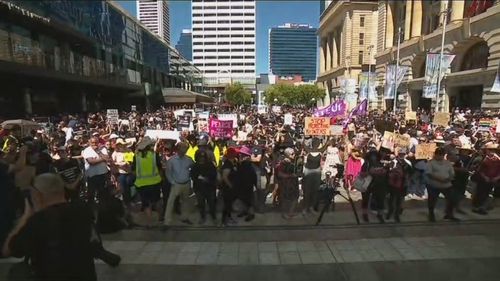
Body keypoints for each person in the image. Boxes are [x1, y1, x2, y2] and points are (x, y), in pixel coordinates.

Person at [1, 173, 106, 281]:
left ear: (37, 195)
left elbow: (7, 250)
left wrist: (25, 217)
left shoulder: (38, 221)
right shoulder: (83, 212)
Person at [132, 137, 164, 227]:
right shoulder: (154, 155)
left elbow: (134, 171)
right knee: (157, 201)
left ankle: (149, 222)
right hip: (155, 182)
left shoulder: (136, 156)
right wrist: (161, 178)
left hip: (141, 183)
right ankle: (160, 217)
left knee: (146, 204)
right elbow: (160, 168)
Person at [164, 142, 194, 227]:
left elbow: (193, 167)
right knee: (170, 202)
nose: (184, 150)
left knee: (185, 201)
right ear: (178, 149)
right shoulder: (172, 160)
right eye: (183, 148)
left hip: (186, 183)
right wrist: (172, 182)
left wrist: (190, 180)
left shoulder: (188, 159)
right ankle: (167, 221)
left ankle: (185, 217)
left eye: (185, 149)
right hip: (176, 184)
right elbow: (168, 172)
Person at [425, 147, 458, 222]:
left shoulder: (447, 163)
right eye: (438, 154)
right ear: (435, 154)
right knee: (432, 201)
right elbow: (429, 174)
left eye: (441, 154)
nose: (440, 156)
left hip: (446, 185)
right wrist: (439, 179)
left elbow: (452, 173)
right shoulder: (431, 163)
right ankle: (431, 215)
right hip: (434, 185)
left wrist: (448, 179)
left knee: (452, 200)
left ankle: (449, 214)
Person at [191, 149, 218, 225]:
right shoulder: (195, 166)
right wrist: (199, 178)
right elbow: (193, 176)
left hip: (210, 188)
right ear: (197, 157)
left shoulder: (210, 164)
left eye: (203, 156)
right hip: (199, 188)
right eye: (200, 156)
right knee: (201, 204)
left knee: (212, 204)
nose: (201, 158)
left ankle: (214, 217)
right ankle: (202, 217)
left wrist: (207, 178)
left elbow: (214, 174)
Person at [81, 136, 110, 207]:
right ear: (89, 143)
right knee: (91, 194)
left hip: (103, 174)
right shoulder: (87, 150)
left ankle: (103, 209)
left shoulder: (103, 149)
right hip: (92, 176)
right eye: (92, 142)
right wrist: (102, 159)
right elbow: (91, 162)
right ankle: (91, 210)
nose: (94, 144)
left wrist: (98, 152)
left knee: (103, 193)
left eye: (96, 142)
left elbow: (107, 158)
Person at [360, 149, 387, 223]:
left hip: (378, 184)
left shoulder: (380, 163)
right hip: (367, 184)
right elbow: (361, 174)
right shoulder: (366, 164)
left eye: (375, 155)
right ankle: (365, 214)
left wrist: (382, 172)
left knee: (380, 200)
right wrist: (369, 172)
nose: (373, 157)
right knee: (365, 199)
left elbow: (384, 173)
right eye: (372, 155)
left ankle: (380, 214)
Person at [473, 143, 500, 215]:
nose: (492, 151)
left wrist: (497, 178)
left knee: (487, 193)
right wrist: (485, 177)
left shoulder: (498, 159)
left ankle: (481, 207)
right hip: (483, 179)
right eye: (490, 150)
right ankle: (477, 207)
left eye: (493, 150)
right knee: (480, 192)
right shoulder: (483, 158)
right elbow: (479, 170)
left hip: (492, 179)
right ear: (486, 150)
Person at [276, 147, 299, 219]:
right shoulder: (283, 163)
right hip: (286, 183)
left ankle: (290, 212)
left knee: (295, 197)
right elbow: (280, 174)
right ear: (287, 154)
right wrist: (290, 175)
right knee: (285, 199)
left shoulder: (293, 162)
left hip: (293, 183)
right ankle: (284, 213)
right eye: (292, 154)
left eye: (294, 153)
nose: (294, 155)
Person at [235, 146, 257, 222]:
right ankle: (244, 211)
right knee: (242, 198)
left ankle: (251, 214)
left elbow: (252, 176)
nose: (240, 156)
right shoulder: (241, 164)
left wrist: (254, 184)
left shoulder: (248, 164)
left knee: (248, 200)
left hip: (248, 184)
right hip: (242, 184)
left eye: (242, 154)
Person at [220, 147, 239, 226]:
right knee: (227, 205)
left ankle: (229, 217)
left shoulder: (232, 163)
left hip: (231, 188)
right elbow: (224, 177)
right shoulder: (227, 165)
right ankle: (223, 221)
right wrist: (231, 186)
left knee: (229, 204)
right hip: (227, 189)